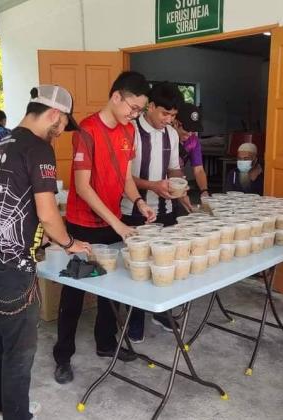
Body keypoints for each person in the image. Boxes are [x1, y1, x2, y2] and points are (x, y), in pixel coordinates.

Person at [0, 85, 91, 420]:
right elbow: (47, 212)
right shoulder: (39, 148)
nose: (61, 131)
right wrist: (69, 243)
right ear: (54, 114)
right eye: (63, 123)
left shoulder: (3, 142)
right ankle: (17, 415)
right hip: (12, 266)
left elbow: (14, 199)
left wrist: (43, 239)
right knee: (20, 349)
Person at [52, 71, 156, 385]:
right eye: (133, 108)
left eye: (139, 111)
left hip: (113, 221)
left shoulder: (128, 131)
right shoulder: (86, 130)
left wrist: (139, 202)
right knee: (74, 292)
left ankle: (106, 343)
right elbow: (83, 187)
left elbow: (125, 178)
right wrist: (118, 224)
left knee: (113, 287)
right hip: (84, 224)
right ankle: (63, 356)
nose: (135, 115)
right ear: (116, 97)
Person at [120, 81, 188, 342]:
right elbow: (123, 177)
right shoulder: (131, 131)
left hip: (166, 210)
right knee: (138, 267)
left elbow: (173, 169)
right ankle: (134, 320)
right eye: (164, 113)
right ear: (150, 106)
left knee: (165, 263)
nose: (168, 120)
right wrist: (152, 186)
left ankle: (162, 313)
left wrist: (180, 186)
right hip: (134, 210)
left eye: (173, 115)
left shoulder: (171, 134)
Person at [173, 102, 209, 199]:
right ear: (175, 122)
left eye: (193, 130)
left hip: (178, 186)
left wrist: (204, 191)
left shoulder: (193, 141)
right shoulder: (164, 137)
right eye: (187, 129)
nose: (190, 134)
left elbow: (199, 170)